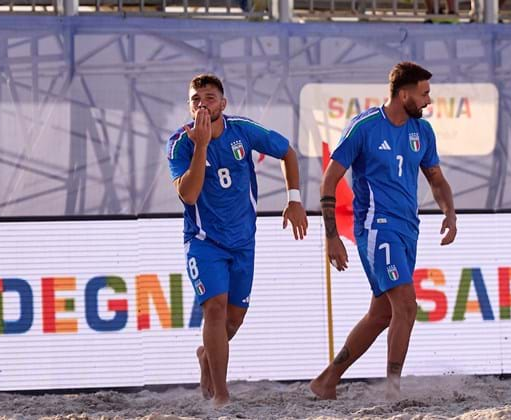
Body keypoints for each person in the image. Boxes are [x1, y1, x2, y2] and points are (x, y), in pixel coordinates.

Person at [310, 61, 457, 400]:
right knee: (406, 307)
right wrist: (331, 236)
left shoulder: (422, 132)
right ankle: (393, 389)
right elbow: (330, 179)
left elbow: (436, 178)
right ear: (403, 94)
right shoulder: (364, 127)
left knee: (381, 315)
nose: (428, 102)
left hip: (408, 229)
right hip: (376, 227)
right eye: (424, 95)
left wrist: (450, 212)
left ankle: (326, 380)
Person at [166, 73, 308, 407]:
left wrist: (295, 199)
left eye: (210, 98)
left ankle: (207, 356)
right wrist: (201, 145)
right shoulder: (180, 143)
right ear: (189, 106)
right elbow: (188, 195)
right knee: (213, 310)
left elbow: (287, 152)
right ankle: (221, 394)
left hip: (243, 240)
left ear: (223, 104)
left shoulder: (242, 129)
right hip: (204, 240)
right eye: (196, 99)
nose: (202, 104)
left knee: (233, 320)